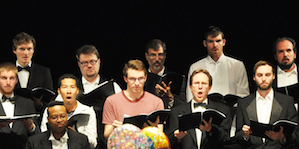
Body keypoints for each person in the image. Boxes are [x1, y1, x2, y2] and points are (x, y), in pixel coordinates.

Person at [235, 60, 297, 148]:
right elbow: (238, 134)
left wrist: (281, 137)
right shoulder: (243, 103)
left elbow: (296, 133)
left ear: (273, 76)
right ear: (254, 77)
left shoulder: (287, 101)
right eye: (260, 75)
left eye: (267, 75)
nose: (263, 79)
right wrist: (245, 135)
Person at [165, 69, 231, 149]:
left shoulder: (223, 110)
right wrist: (177, 138)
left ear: (209, 88)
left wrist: (211, 129)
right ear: (190, 87)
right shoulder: (176, 111)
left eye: (204, 83)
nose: (200, 87)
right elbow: (168, 143)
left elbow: (226, 140)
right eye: (196, 83)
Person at [102, 59, 164, 140]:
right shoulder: (111, 101)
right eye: (132, 79)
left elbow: (160, 136)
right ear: (125, 79)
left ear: (145, 78)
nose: (137, 83)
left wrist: (152, 129)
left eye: (140, 78)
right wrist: (116, 128)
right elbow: (107, 135)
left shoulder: (156, 102)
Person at [76, 45, 122, 148]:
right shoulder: (72, 87)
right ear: (79, 64)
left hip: (107, 141)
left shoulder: (113, 86)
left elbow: (123, 110)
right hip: (80, 141)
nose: (89, 65)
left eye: (93, 61)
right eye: (85, 63)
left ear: (99, 61)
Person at [186, 26, 249, 102]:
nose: (215, 45)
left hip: (232, 111)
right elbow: (190, 97)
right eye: (210, 41)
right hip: (204, 111)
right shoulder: (195, 67)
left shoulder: (238, 66)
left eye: (218, 41)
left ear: (224, 42)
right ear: (205, 43)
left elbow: (243, 96)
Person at [40, 74, 97, 149]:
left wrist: (75, 135)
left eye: (72, 87)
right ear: (59, 91)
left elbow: (93, 143)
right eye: (65, 87)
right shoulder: (50, 109)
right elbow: (43, 137)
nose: (69, 91)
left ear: (77, 90)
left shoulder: (88, 111)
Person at [0, 62, 39, 149]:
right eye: (4, 78)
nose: (8, 82)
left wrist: (31, 127)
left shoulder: (28, 103)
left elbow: (37, 136)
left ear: (16, 80)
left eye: (12, 78)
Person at [12, 32, 53, 113]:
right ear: (14, 50)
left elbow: (50, 100)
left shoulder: (44, 71)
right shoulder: (5, 72)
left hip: (36, 117)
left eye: (29, 49)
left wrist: (39, 105)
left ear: (33, 50)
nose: (26, 53)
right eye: (22, 49)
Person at [26, 101, 90, 149]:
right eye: (54, 117)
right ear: (48, 119)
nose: (59, 120)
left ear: (67, 117)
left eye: (62, 116)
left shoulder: (82, 140)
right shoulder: (34, 142)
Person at [144, 39, 185, 109]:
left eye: (160, 55)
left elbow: (183, 107)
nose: (157, 59)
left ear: (165, 55)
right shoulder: (139, 79)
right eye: (153, 55)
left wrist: (170, 99)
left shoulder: (177, 79)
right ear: (146, 56)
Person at [272, 37, 299, 103]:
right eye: (281, 51)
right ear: (275, 56)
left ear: (295, 54)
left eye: (288, 50)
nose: (285, 54)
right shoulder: (270, 77)